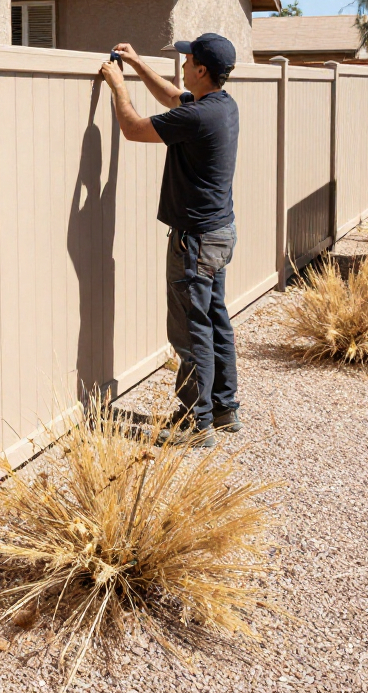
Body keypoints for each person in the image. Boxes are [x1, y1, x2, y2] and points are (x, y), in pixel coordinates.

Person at [99, 34, 241, 447]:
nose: (181, 64)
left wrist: (118, 86)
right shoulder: (221, 106)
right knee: (215, 321)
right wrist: (139, 63)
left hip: (194, 241)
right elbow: (173, 97)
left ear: (201, 70)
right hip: (218, 234)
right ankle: (222, 408)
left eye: (187, 59)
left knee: (191, 330)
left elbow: (132, 129)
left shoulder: (199, 117)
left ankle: (195, 424)